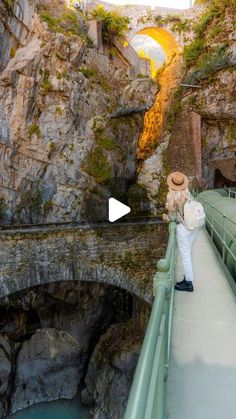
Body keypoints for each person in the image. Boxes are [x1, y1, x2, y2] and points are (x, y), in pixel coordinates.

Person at [164, 171, 198, 292]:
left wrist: (166, 216)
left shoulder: (172, 195)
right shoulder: (187, 192)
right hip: (194, 226)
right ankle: (187, 278)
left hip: (183, 227)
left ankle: (189, 283)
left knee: (186, 255)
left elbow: (171, 212)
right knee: (188, 253)